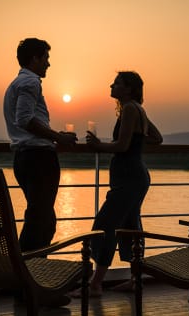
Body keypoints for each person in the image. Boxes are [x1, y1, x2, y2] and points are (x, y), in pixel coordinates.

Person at [74, 71, 163, 297]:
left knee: (105, 226)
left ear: (129, 88)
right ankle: (135, 280)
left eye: (117, 83)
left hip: (129, 178)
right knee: (130, 227)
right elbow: (157, 137)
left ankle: (95, 284)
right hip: (135, 175)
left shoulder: (131, 109)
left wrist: (97, 145)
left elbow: (121, 146)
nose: (111, 85)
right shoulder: (136, 109)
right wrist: (137, 143)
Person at [3, 38, 77, 253]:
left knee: (42, 219)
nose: (48, 63)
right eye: (46, 58)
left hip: (25, 158)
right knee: (40, 221)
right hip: (38, 160)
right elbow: (25, 119)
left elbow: (26, 120)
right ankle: (26, 276)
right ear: (35, 58)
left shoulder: (16, 84)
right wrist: (58, 138)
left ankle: (29, 274)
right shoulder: (30, 82)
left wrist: (54, 136)